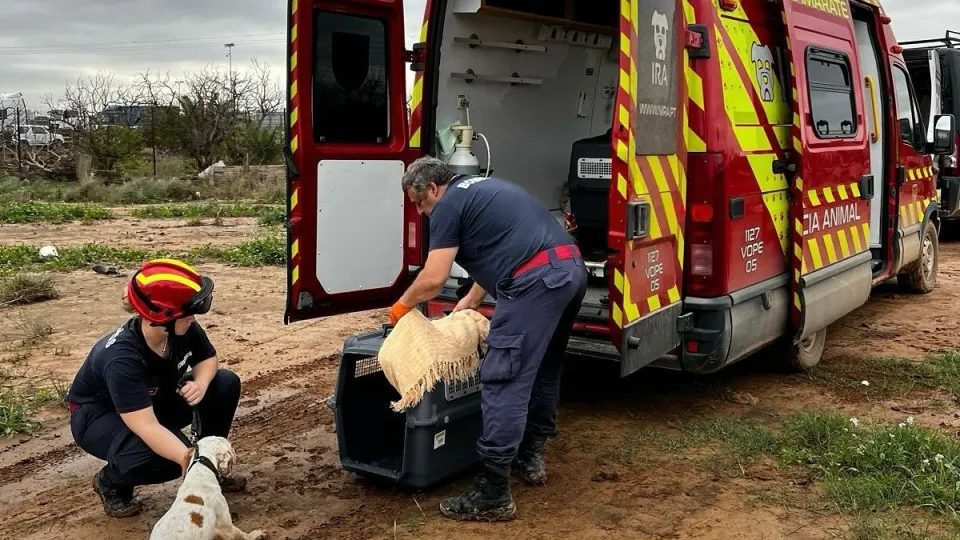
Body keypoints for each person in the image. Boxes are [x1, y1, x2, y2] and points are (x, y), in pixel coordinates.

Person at [389, 156, 588, 522]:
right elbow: (507, 246)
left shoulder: (446, 204)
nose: (420, 212)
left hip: (536, 281)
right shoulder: (480, 187)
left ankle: (493, 491)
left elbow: (434, 278)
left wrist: (400, 307)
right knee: (544, 367)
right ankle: (530, 455)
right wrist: (473, 298)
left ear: (432, 188)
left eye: (419, 202)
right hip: (569, 268)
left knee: (503, 377)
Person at [65, 258, 245, 518]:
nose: (194, 318)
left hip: (150, 400)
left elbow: (207, 359)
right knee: (164, 459)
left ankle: (210, 469)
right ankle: (112, 481)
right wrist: (189, 459)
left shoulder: (180, 328)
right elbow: (146, 426)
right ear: (161, 316)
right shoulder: (121, 358)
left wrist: (201, 383)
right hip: (100, 416)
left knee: (224, 383)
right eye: (189, 312)